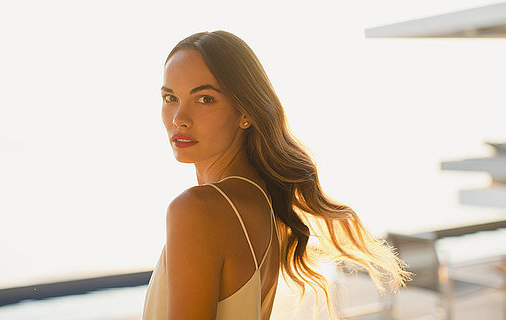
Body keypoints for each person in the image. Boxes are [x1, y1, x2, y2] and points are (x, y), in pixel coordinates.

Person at [142, 31, 410, 320]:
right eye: (170, 97)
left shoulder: (197, 209)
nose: (178, 118)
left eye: (205, 99)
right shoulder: (259, 201)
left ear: (245, 112)